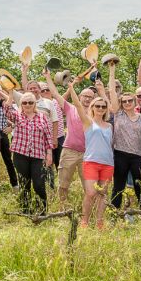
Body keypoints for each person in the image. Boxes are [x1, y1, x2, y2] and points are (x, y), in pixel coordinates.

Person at [43, 72, 93, 207]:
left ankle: (87, 209)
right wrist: (47, 76)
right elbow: (55, 93)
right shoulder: (70, 108)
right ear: (79, 96)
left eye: (90, 97)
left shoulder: (97, 112)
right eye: (85, 96)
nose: (87, 99)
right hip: (69, 151)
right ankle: (62, 206)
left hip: (88, 154)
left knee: (88, 186)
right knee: (63, 183)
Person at [69, 79, 113, 229]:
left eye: (103, 106)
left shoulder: (109, 126)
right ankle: (84, 221)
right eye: (97, 106)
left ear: (106, 109)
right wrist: (71, 87)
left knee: (102, 194)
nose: (100, 108)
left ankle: (100, 222)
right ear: (93, 107)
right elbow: (77, 105)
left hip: (107, 163)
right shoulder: (88, 122)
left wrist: (103, 89)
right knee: (90, 192)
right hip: (91, 162)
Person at [3, 91, 54, 214]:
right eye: (24, 102)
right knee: (24, 183)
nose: (27, 105)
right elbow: (6, 110)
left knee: (38, 184)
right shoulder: (17, 115)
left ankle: (42, 211)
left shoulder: (42, 117)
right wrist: (10, 92)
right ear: (21, 104)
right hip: (20, 155)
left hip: (38, 156)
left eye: (30, 102)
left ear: (34, 103)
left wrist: (49, 154)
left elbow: (48, 137)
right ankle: (25, 211)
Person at [107, 62, 141, 209]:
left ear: (134, 101)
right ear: (121, 103)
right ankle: (114, 213)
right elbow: (111, 91)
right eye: (124, 101)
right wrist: (112, 71)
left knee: (140, 186)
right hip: (120, 154)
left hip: (138, 155)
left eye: (130, 100)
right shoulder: (118, 114)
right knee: (118, 187)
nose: (127, 103)